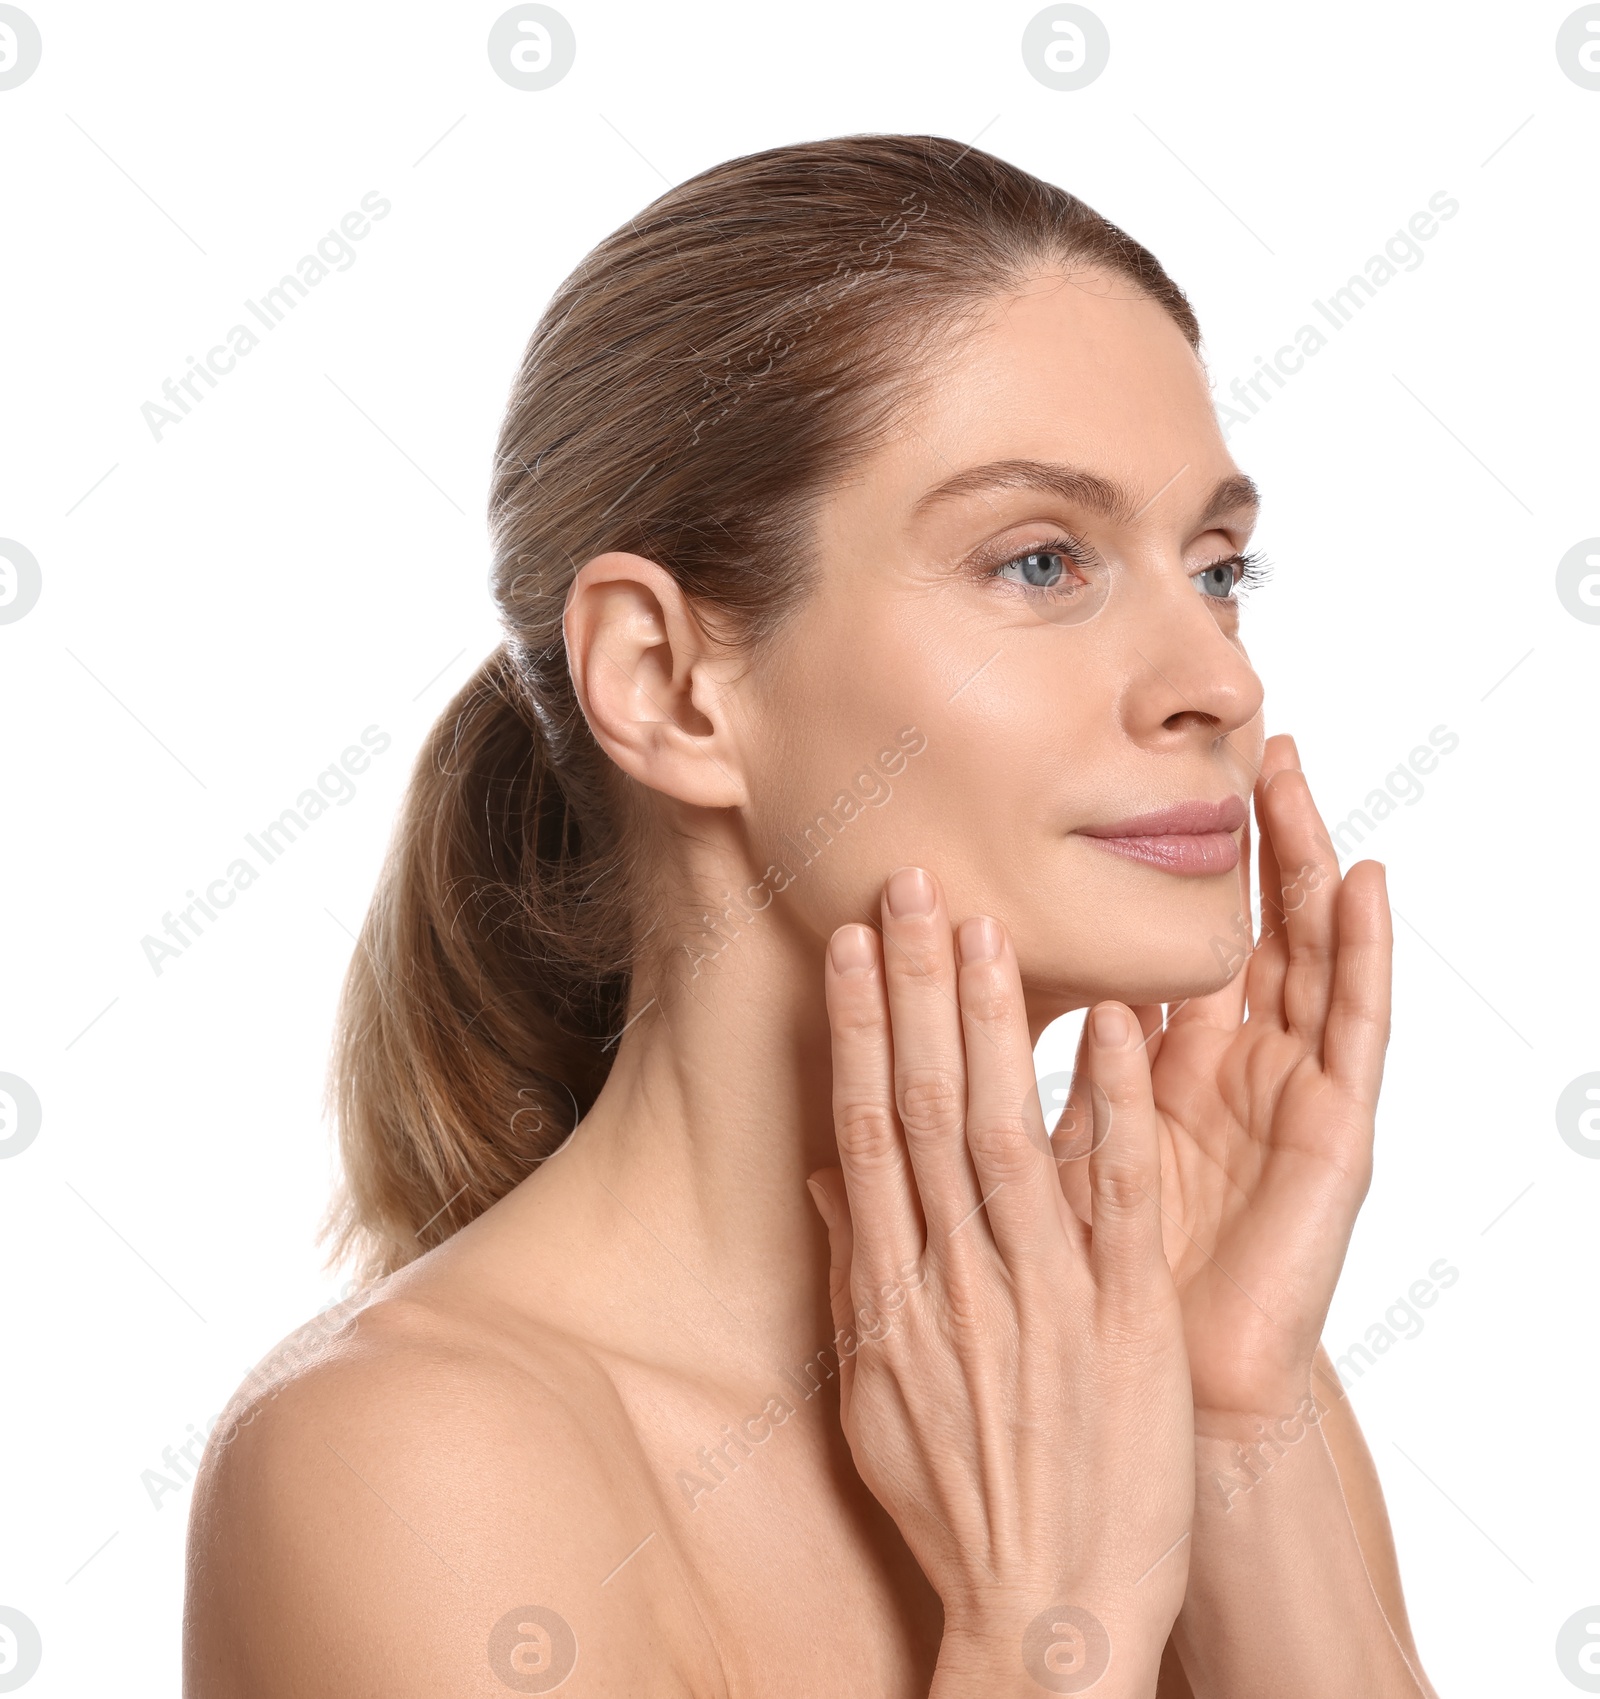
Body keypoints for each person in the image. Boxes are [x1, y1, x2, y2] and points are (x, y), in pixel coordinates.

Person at [184, 133, 1437, 1697]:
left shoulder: (1165, 1360)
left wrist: (1240, 1415)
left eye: (1217, 565)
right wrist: (1053, 1624)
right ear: (667, 685)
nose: (1220, 682)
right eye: (1041, 561)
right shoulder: (404, 1465)